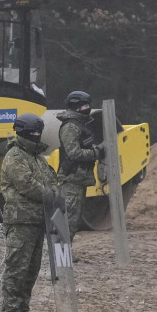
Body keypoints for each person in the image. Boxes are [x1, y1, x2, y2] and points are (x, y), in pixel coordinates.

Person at [0, 113, 60, 312]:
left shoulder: (36, 157)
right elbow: (26, 184)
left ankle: (22, 308)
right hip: (20, 220)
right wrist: (50, 195)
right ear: (22, 132)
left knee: (31, 268)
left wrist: (54, 192)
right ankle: (11, 310)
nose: (36, 135)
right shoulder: (15, 156)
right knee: (17, 266)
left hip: (37, 219)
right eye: (32, 132)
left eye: (38, 132)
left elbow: (51, 179)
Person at [56, 90, 105, 233]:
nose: (87, 109)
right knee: (68, 220)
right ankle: (64, 254)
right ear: (76, 107)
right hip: (71, 179)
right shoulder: (70, 126)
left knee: (75, 220)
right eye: (85, 106)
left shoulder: (80, 125)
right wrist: (95, 153)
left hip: (79, 179)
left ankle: (67, 254)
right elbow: (74, 153)